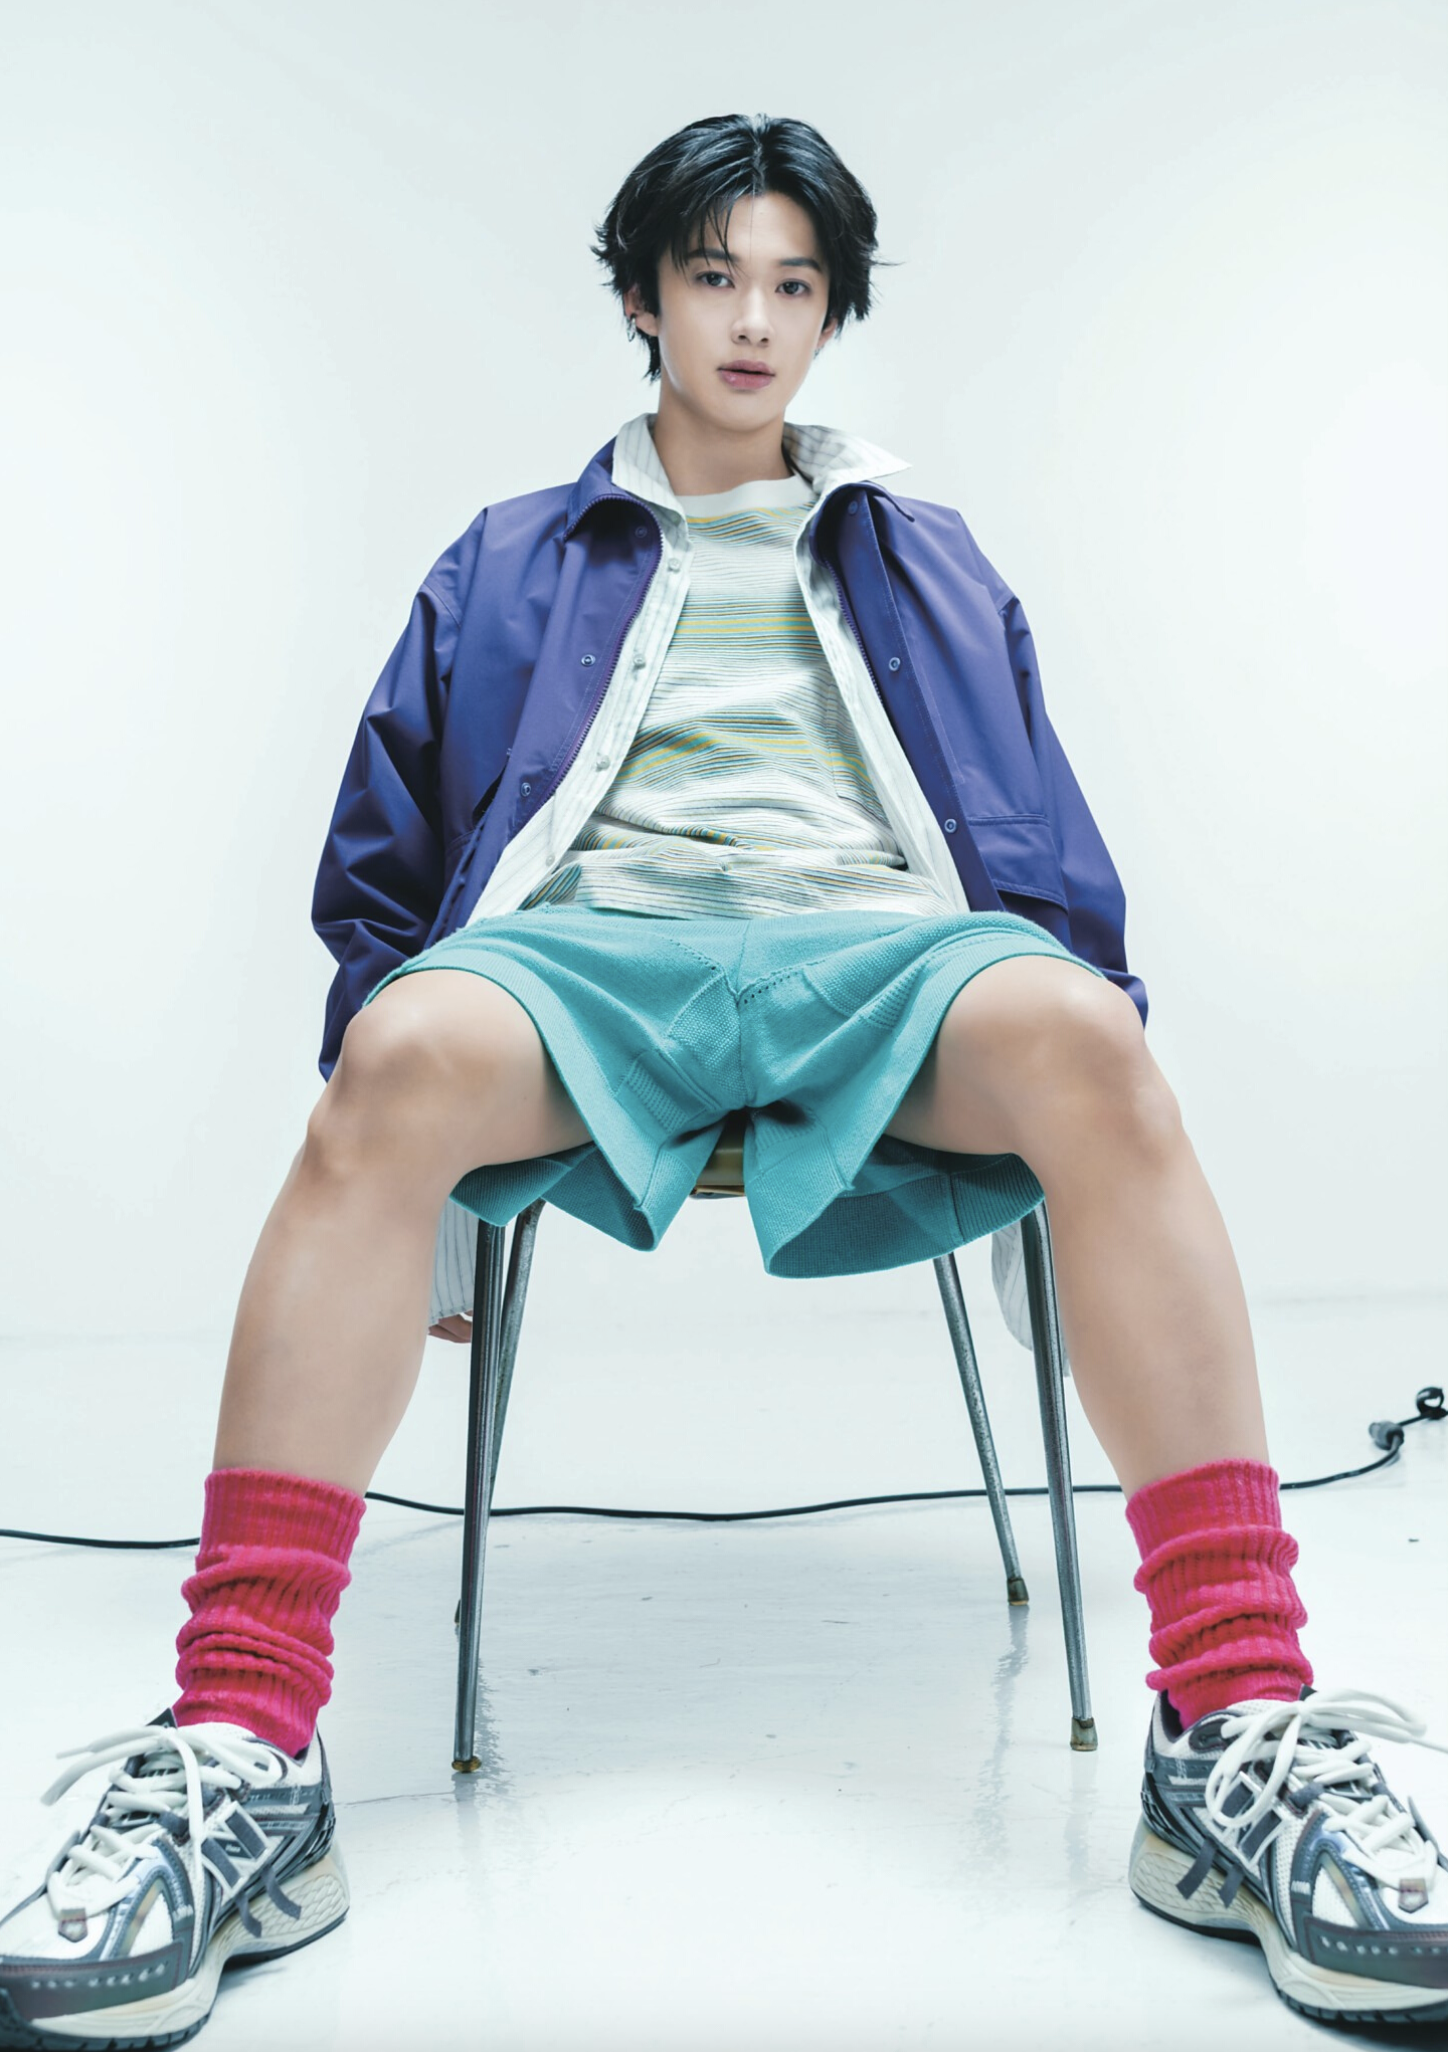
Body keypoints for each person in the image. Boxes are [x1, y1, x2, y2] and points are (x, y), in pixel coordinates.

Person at [3, 111, 1444, 2051]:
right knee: (402, 1043)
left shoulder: (925, 555)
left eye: (791, 285)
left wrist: (1066, 1046)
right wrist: (413, 1169)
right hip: (593, 950)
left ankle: (1237, 1720)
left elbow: (1036, 836)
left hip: (875, 948)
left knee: (1095, 1041)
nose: (753, 322)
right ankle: (243, 1748)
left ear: (832, 312)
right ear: (642, 298)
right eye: (712, 278)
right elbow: (384, 867)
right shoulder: (512, 555)